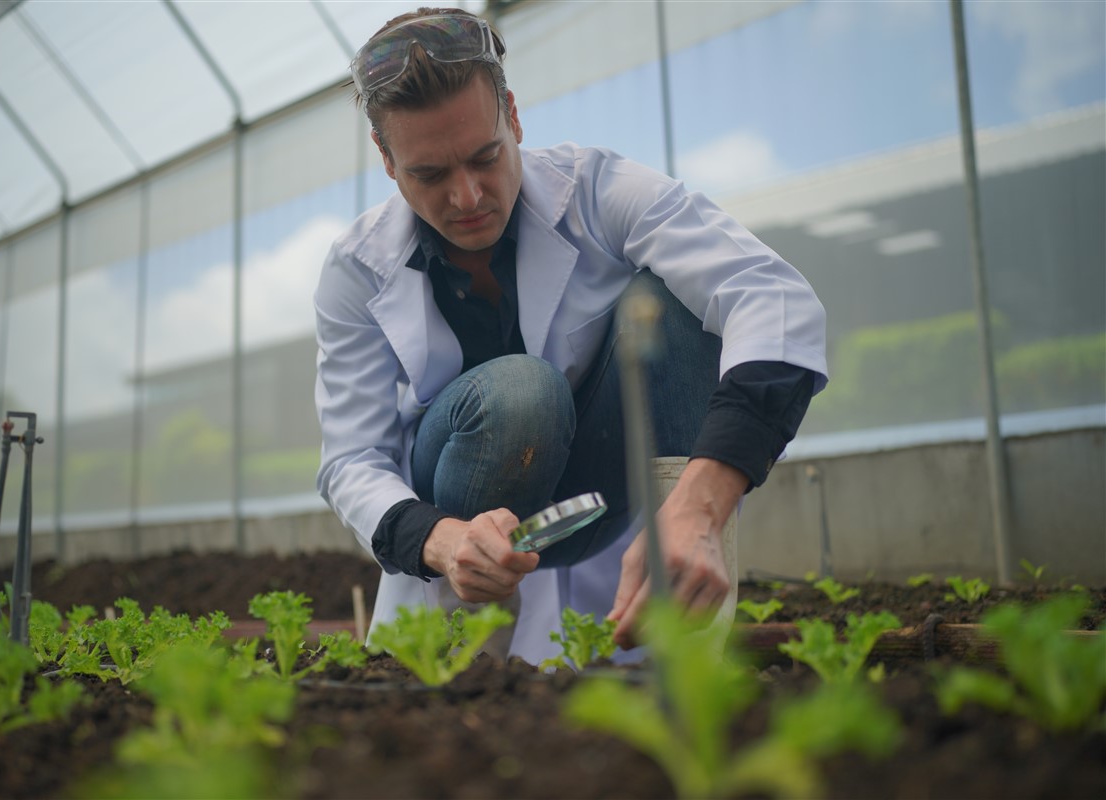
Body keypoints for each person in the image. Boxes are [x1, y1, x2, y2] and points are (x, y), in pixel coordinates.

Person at [314, 7, 827, 663]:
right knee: (521, 396)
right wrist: (441, 539)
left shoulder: (595, 192)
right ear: (387, 161)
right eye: (430, 175)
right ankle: (471, 635)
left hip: (595, 502)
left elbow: (773, 297)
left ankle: (677, 602)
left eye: (485, 157)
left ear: (514, 118)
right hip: (456, 509)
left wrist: (702, 503)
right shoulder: (356, 269)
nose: (468, 197)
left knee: (673, 302)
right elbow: (351, 459)